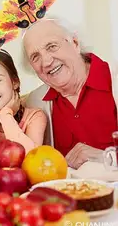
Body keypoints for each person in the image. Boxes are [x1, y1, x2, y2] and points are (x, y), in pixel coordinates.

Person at [23, 18, 118, 169]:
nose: (46, 61)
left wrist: (106, 157)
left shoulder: (113, 80)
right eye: (35, 57)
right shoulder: (34, 103)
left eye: (52, 46)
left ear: (75, 43)